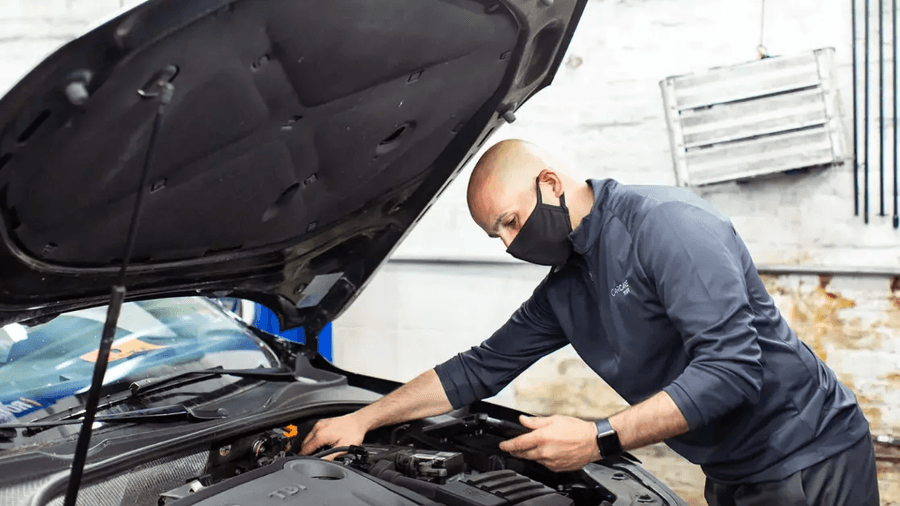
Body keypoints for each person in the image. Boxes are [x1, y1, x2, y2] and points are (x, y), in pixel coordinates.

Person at [301, 139, 880, 506]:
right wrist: (365, 418)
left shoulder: (668, 227)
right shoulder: (566, 287)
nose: (508, 244)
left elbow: (732, 370)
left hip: (807, 453)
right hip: (727, 466)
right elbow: (479, 367)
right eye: (494, 235)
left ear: (549, 184)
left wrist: (598, 438)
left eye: (509, 221)